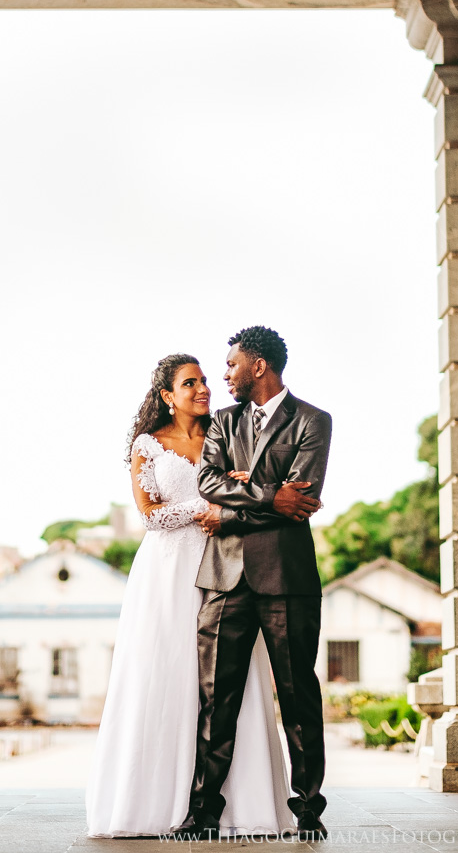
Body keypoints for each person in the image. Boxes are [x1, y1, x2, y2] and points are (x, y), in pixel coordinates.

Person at [85, 352, 294, 839]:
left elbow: (253, 488)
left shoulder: (229, 433)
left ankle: (242, 803)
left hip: (227, 562)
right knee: (167, 673)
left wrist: (240, 496)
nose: (204, 389)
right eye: (190, 383)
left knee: (231, 678)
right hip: (168, 571)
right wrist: (212, 500)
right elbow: (151, 516)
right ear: (167, 396)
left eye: (205, 381)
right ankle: (156, 803)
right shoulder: (148, 445)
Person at [176, 326, 332, 842]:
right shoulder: (221, 422)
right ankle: (204, 812)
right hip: (223, 579)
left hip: (287, 578)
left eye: (231, 366)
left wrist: (233, 510)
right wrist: (270, 497)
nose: (224, 377)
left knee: (297, 694)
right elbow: (209, 483)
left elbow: (301, 501)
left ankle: (308, 809)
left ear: (258, 365)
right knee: (213, 698)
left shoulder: (313, 421)